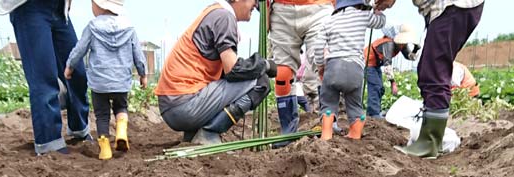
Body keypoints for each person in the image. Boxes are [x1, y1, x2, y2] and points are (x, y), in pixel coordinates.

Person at [375, 0, 484, 158]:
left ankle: (430, 142)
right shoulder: (388, 45)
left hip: (453, 6)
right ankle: (429, 140)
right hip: (450, 8)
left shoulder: (388, 45)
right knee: (430, 69)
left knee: (434, 71)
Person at [155, 0, 273, 146]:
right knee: (261, 82)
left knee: (238, 78)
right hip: (184, 106)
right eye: (254, 0)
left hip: (172, 106)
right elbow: (233, 70)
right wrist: (265, 65)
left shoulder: (215, 12)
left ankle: (192, 136)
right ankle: (209, 133)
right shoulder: (224, 16)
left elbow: (225, 72)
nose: (256, 4)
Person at [0, 0, 91, 156]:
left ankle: (78, 128)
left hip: (58, 8)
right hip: (29, 7)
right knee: (43, 79)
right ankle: (49, 143)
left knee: (78, 73)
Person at [64, 0, 147, 161]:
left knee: (102, 115)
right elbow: (138, 54)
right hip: (121, 80)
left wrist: (70, 66)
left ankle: (105, 149)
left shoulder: (92, 27)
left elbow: (79, 49)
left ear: (99, 6)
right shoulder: (129, 28)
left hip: (99, 82)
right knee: (121, 107)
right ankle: (121, 131)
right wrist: (143, 74)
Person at [313, 0, 384, 141]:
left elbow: (318, 46)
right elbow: (380, 22)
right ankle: (355, 134)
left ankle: (326, 134)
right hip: (355, 69)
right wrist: (377, 10)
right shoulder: (363, 15)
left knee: (328, 101)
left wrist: (320, 66)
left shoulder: (330, 20)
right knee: (355, 104)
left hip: (334, 67)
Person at [268, 0, 332, 136]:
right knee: (282, 75)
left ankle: (328, 125)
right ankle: (288, 131)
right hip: (281, 10)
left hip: (320, 7)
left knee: (324, 66)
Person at [364, 23, 419, 118]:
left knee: (380, 88)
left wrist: (415, 49)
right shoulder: (389, 44)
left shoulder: (402, 45)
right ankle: (373, 114)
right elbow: (387, 65)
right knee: (375, 86)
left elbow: (409, 57)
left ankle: (374, 111)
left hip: (376, 65)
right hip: (367, 62)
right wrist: (393, 83)